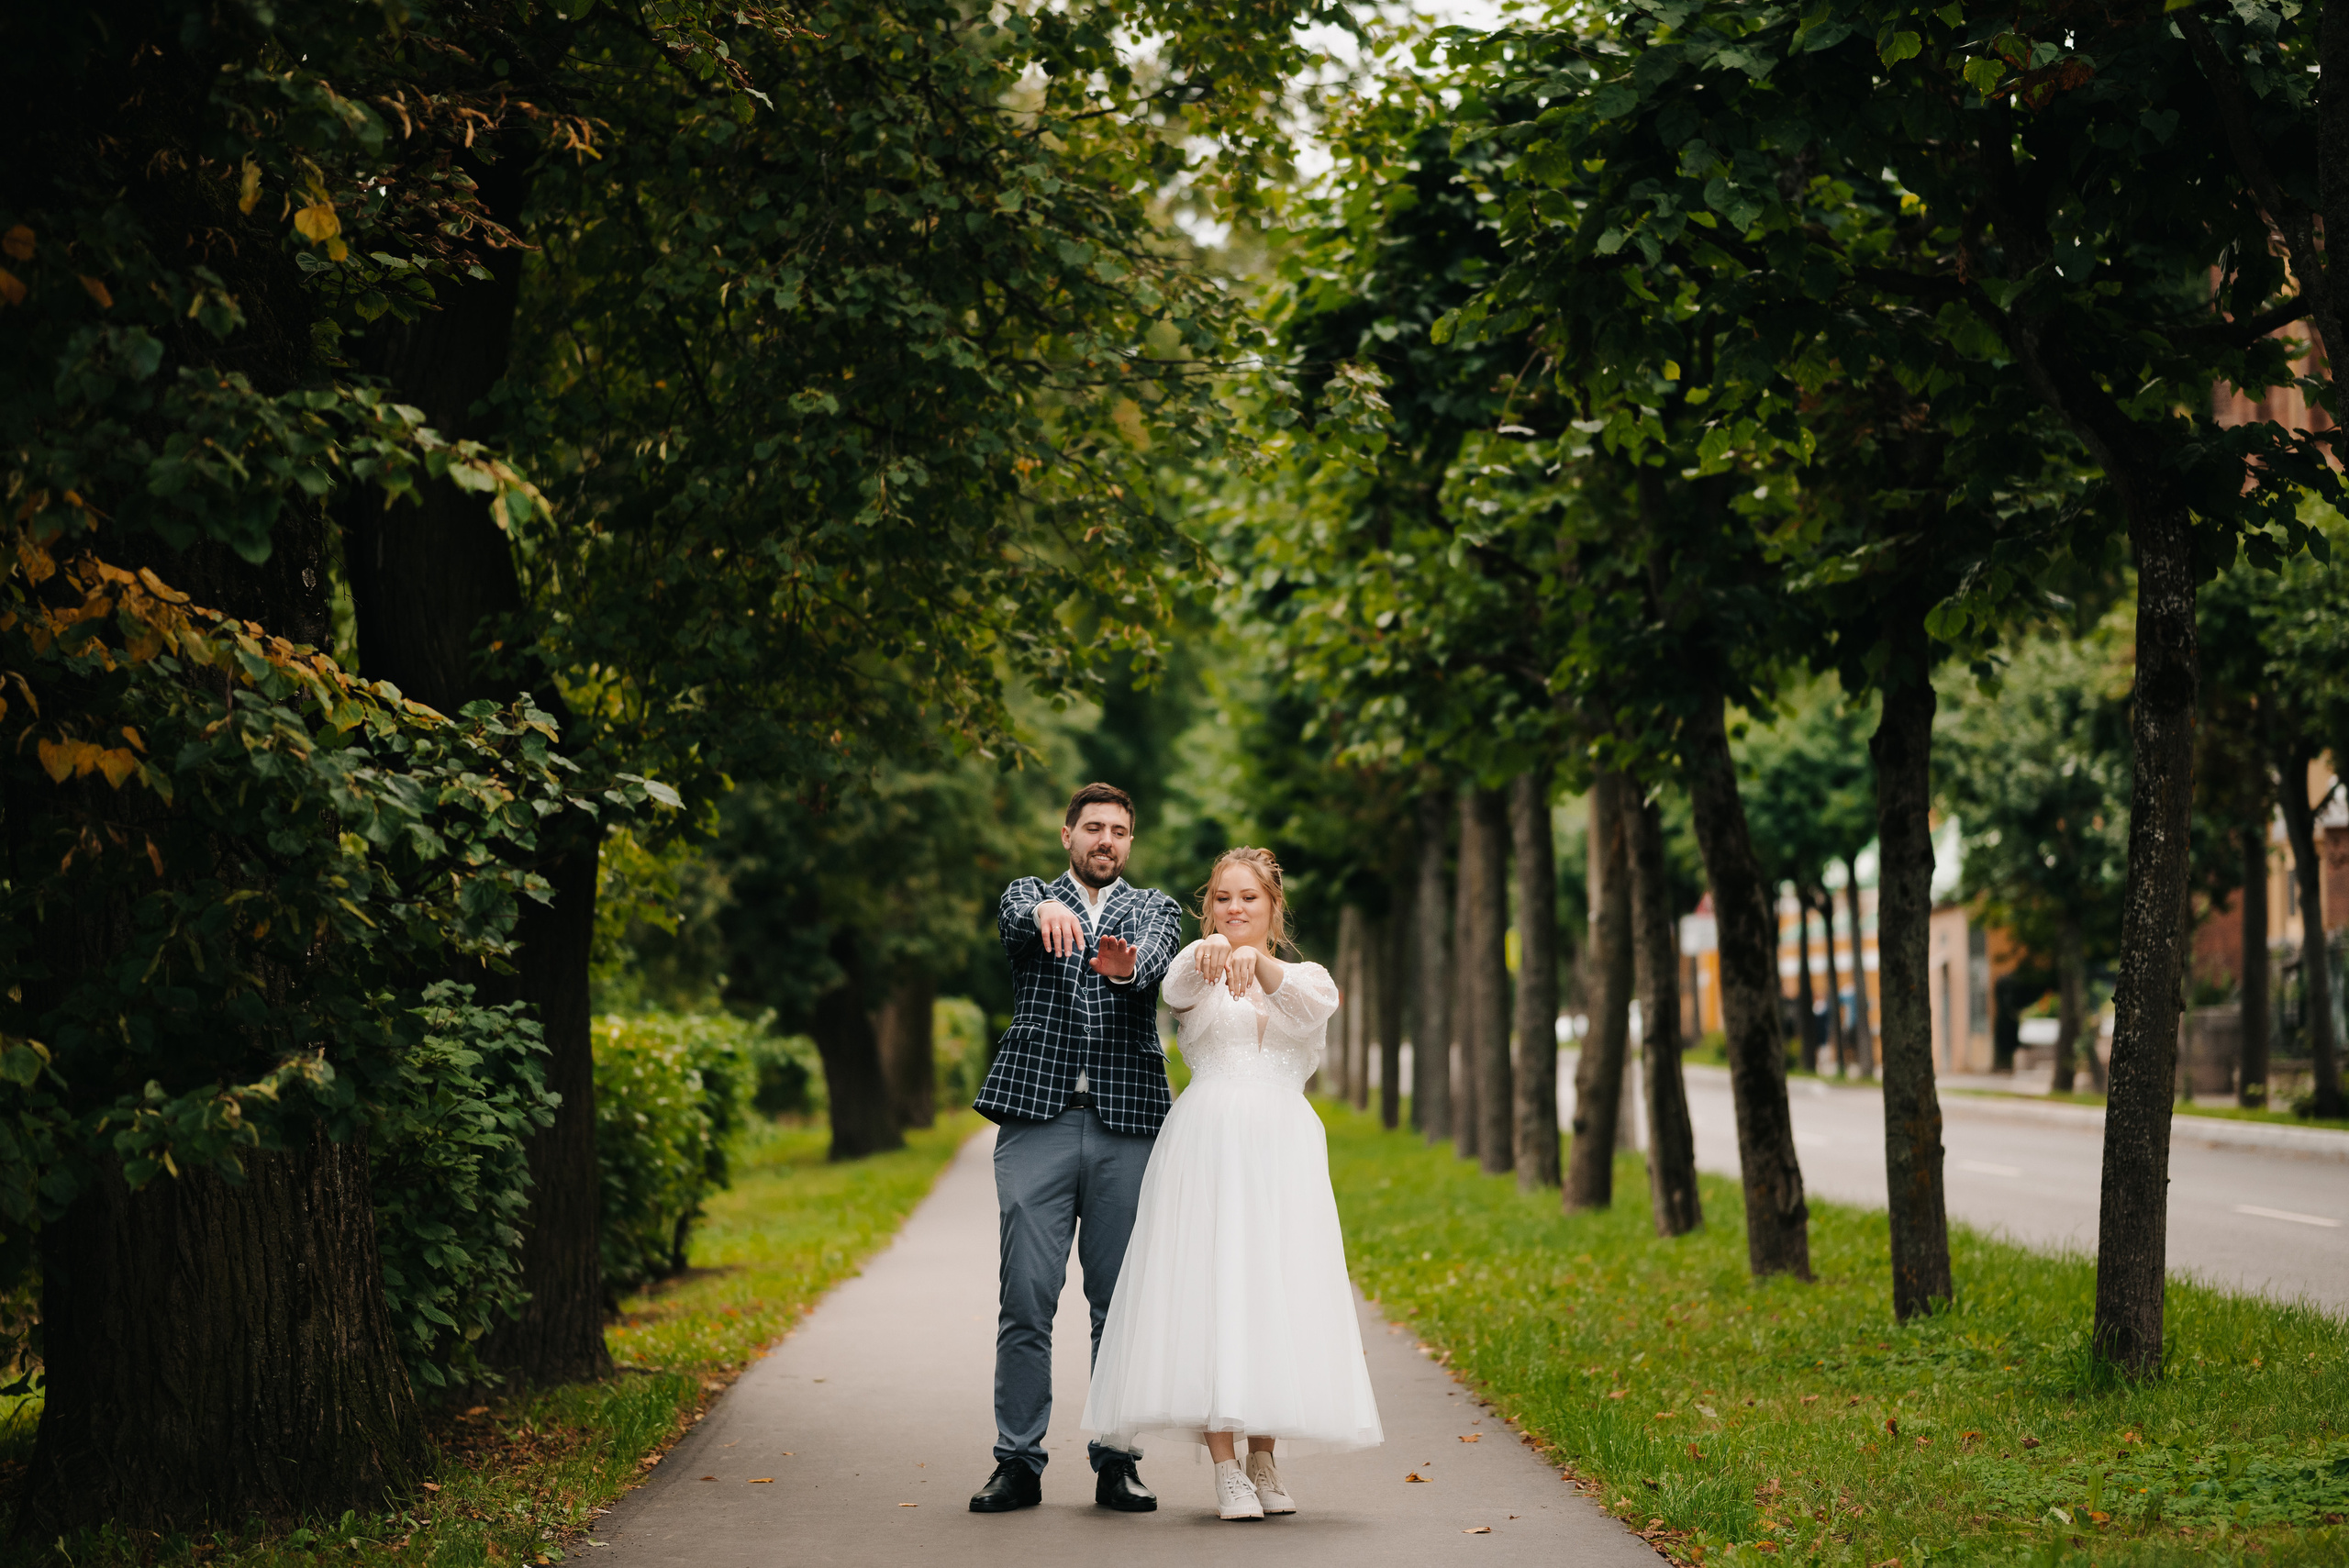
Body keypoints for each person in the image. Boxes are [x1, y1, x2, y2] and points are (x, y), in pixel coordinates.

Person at [1079, 847, 1384, 1520]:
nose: (1234, 908)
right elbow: (1175, 988)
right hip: (1207, 1143)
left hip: (1283, 1151)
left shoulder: (1309, 977)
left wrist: (1263, 964)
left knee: (1273, 1287)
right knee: (1211, 1287)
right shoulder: (1197, 965)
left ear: (1274, 906)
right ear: (1207, 906)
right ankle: (1225, 1465)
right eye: (1222, 897)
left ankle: (1263, 1456)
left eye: (1248, 897)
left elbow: (1310, 1006)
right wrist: (1219, 948)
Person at [967, 783, 1185, 1516]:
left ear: (1130, 842)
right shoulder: (1030, 894)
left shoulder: (1153, 907)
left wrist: (1125, 968)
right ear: (1068, 835)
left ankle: (1116, 1458)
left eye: (1119, 831)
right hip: (1038, 1119)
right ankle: (1017, 1462)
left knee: (1116, 1303)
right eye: (1093, 827)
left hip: (1127, 1123)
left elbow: (1150, 961)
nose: (1106, 840)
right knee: (1026, 1297)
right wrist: (1041, 909)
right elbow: (1013, 913)